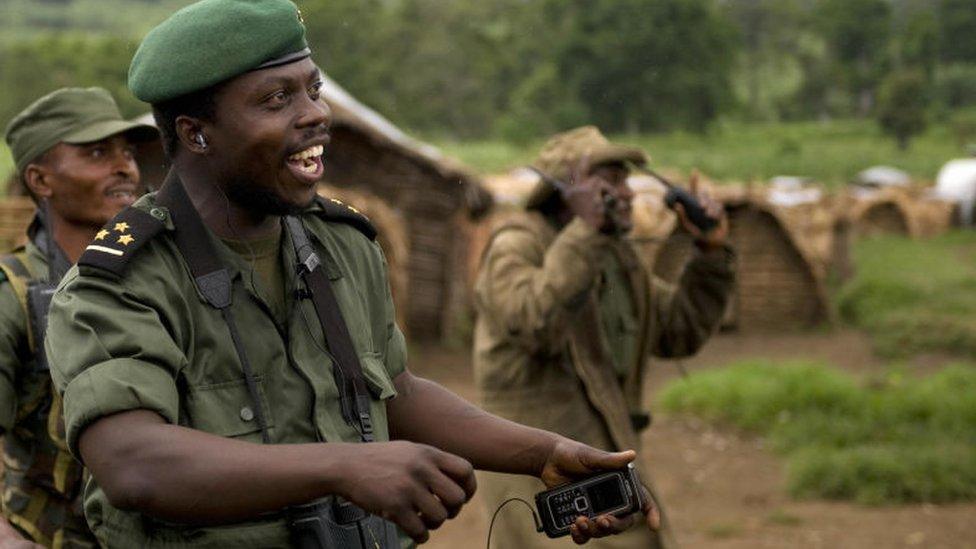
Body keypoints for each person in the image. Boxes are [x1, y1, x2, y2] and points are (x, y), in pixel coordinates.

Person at [44, 2, 660, 548]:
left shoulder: (341, 245)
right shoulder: (121, 282)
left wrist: (543, 453)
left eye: (313, 90)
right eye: (276, 99)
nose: (316, 115)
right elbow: (133, 463)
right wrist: (344, 467)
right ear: (196, 133)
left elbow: (396, 392)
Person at [473, 126, 736, 548]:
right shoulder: (518, 244)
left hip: (603, 460)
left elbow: (679, 328)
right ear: (568, 191)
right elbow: (535, 323)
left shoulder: (614, 254)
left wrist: (710, 254)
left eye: (625, 180)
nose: (628, 194)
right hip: (537, 473)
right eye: (611, 182)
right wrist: (587, 232)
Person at [0, 87, 157, 548]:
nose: (124, 166)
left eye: (127, 152)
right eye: (96, 152)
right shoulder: (13, 296)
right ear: (41, 180)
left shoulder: (157, 282)